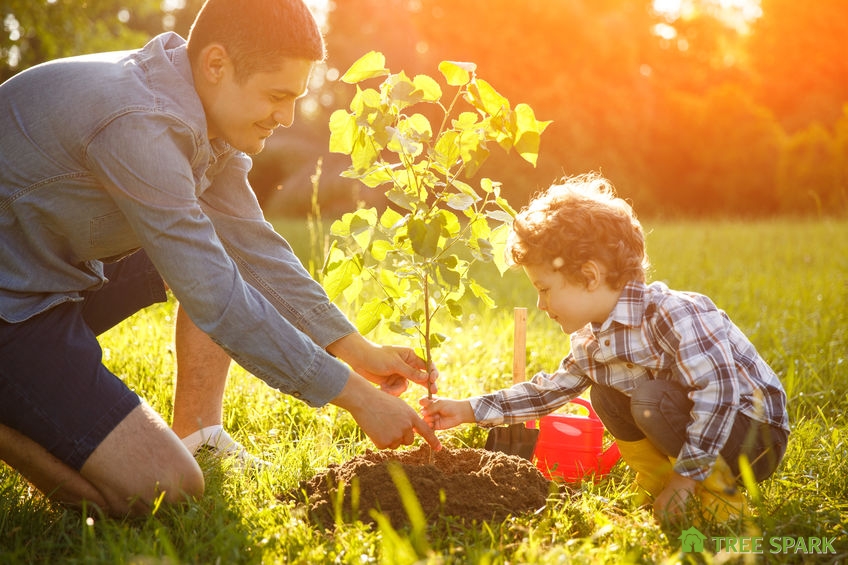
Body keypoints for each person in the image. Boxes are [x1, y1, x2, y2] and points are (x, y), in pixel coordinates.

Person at [0, 0, 440, 517]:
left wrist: (356, 349)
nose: (287, 116)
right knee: (163, 489)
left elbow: (255, 247)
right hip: (13, 309)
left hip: (49, 271)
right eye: (278, 96)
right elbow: (216, 295)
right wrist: (359, 401)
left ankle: (200, 434)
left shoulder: (201, 111)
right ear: (216, 65)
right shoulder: (139, 122)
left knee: (216, 249)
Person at [420, 173, 789, 523]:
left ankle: (718, 497)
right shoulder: (591, 342)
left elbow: (719, 393)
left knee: (649, 398)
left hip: (754, 434)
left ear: (589, 276)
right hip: (701, 427)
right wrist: (467, 410)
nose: (539, 305)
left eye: (544, 289)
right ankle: (656, 481)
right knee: (607, 393)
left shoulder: (671, 314)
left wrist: (686, 479)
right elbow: (545, 392)